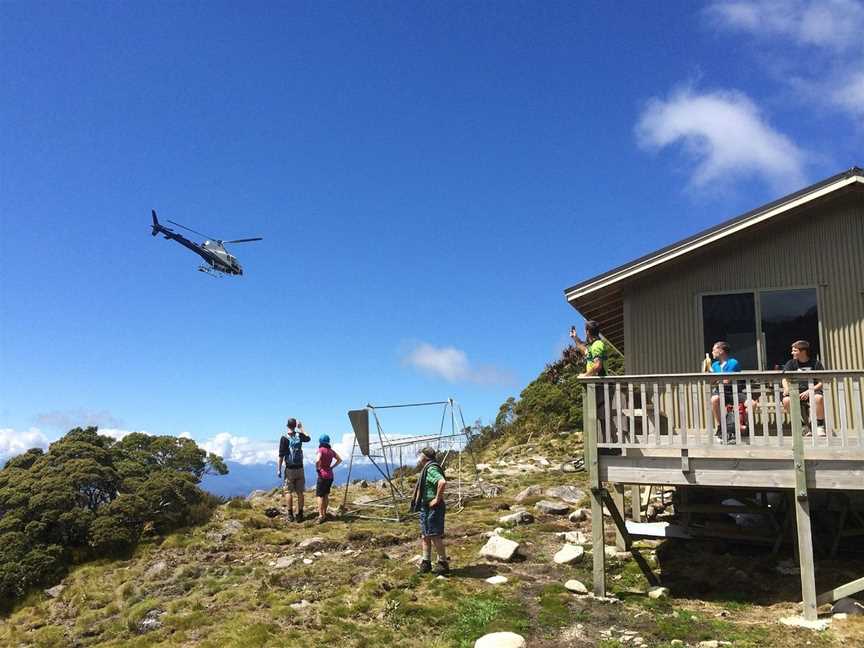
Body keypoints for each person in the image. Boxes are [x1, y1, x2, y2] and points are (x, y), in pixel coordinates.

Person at [410, 447, 448, 575]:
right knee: (425, 535)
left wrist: (437, 499)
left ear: (425, 457)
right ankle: (426, 562)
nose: (419, 457)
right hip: (425, 506)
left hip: (433, 507)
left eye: (420, 455)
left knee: (434, 535)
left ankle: (443, 563)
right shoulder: (428, 468)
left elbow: (442, 482)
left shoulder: (431, 468)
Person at [782, 340, 826, 436]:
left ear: (803, 351)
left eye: (795, 351)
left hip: (812, 391)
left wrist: (810, 390)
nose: (792, 353)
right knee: (786, 401)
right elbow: (784, 379)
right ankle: (801, 426)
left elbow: (822, 381)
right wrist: (786, 388)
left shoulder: (815, 363)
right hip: (795, 391)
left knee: (818, 398)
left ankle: (819, 426)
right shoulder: (791, 363)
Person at [278, 418, 311, 522]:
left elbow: (281, 455)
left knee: (288, 491)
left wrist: (279, 469)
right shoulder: (299, 436)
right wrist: (301, 428)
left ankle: (290, 515)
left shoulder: (284, 438)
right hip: (300, 468)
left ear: (287, 425)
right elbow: (308, 438)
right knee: (300, 492)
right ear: (295, 425)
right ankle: (300, 514)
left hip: (289, 469)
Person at [707, 341, 742, 437]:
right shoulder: (714, 365)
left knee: (751, 403)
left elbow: (727, 381)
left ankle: (741, 427)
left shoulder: (733, 362)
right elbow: (712, 382)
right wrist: (708, 371)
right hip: (721, 392)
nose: (712, 352)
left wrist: (717, 379)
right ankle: (721, 426)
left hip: (734, 392)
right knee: (714, 399)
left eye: (714, 350)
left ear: (721, 351)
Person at [314, 434, 342, 524]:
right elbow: (339, 460)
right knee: (326, 495)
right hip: (330, 475)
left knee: (319, 495)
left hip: (322, 476)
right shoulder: (331, 451)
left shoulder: (321, 450)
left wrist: (318, 468)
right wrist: (332, 467)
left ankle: (320, 515)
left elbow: (317, 460)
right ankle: (325, 514)